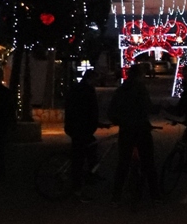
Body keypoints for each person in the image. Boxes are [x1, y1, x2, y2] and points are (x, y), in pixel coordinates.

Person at [107, 58, 157, 203]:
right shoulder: (141, 89)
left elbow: (112, 111)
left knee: (123, 163)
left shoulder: (121, 90)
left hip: (126, 130)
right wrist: (160, 108)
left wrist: (119, 121)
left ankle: (116, 196)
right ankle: (155, 195)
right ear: (140, 75)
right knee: (148, 162)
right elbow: (148, 107)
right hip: (141, 129)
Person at [63, 66, 100, 195]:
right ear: (90, 79)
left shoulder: (75, 89)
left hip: (74, 126)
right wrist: (95, 124)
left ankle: (84, 178)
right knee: (84, 154)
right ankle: (79, 184)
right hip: (82, 128)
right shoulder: (88, 91)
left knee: (81, 153)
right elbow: (91, 110)